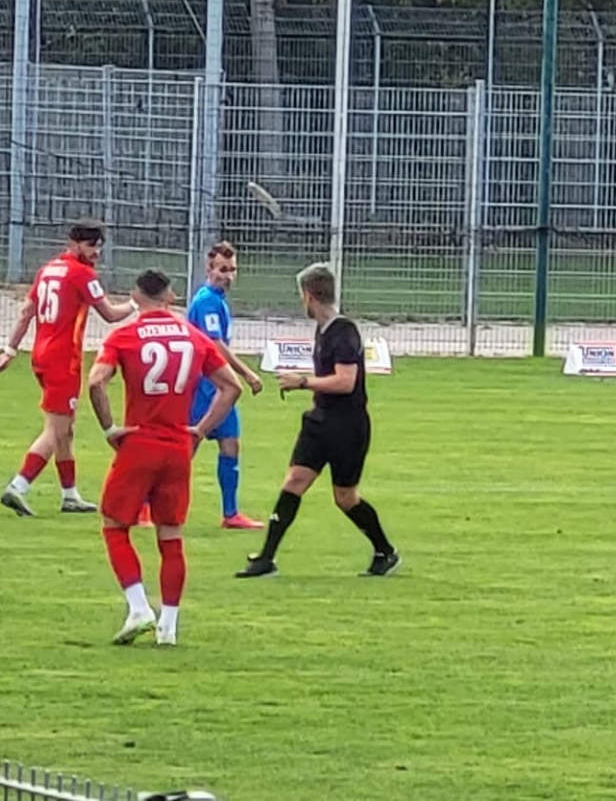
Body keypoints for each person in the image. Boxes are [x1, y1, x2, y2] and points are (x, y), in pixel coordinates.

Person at [86, 269, 243, 646]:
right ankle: (168, 627)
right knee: (170, 535)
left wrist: (110, 428)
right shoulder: (194, 336)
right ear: (170, 297)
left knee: (114, 525)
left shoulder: (123, 336)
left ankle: (139, 607)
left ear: (136, 297)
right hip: (177, 448)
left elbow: (96, 381)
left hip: (139, 443)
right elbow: (231, 387)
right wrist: (200, 430)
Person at [236, 263, 400, 579]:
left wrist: (303, 382)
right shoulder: (322, 330)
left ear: (309, 295)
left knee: (345, 498)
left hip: (347, 427)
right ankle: (265, 558)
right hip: (319, 421)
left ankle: (385, 550)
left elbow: (346, 382)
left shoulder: (344, 332)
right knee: (294, 481)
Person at [0, 220, 136, 517]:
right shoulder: (82, 274)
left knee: (65, 428)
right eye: (91, 246)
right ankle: (18, 486)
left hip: (41, 356)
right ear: (74, 243)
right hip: (63, 360)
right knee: (57, 430)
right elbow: (109, 314)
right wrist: (136, 303)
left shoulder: (47, 270)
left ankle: (70, 495)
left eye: (99, 247)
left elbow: (26, 313)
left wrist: (10, 351)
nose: (96, 253)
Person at [184, 242, 266, 530]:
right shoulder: (207, 301)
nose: (228, 276)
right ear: (209, 269)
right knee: (187, 446)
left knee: (230, 444)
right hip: (204, 387)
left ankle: (231, 514)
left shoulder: (216, 299)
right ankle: (145, 505)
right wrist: (247, 374)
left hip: (218, 385)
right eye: (222, 270)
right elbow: (215, 345)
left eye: (232, 270)